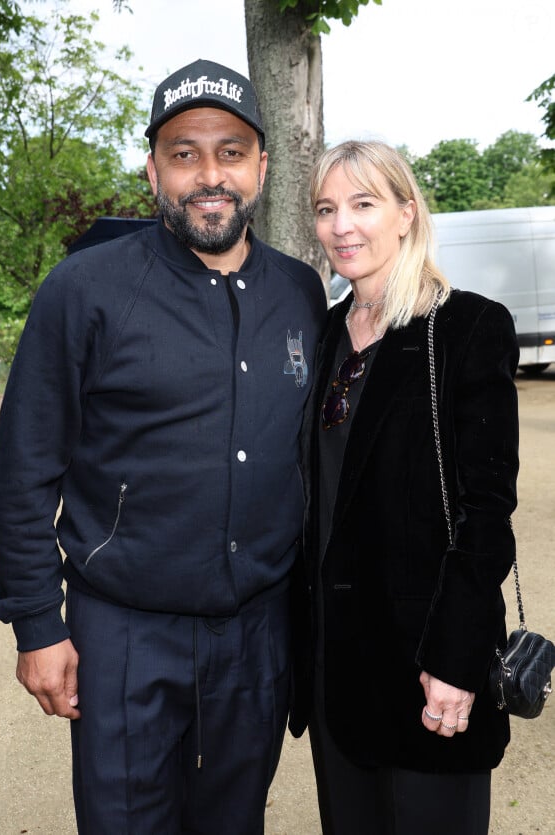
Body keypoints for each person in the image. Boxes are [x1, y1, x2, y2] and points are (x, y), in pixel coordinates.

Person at [0, 59, 327, 834]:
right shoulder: (85, 290)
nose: (210, 174)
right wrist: (38, 624)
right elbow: (21, 475)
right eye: (184, 153)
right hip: (125, 633)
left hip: (257, 633)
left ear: (262, 166)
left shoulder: (300, 291)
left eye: (231, 152)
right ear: (152, 171)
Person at [290, 140, 519, 834]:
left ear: (406, 212)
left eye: (363, 203)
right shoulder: (326, 334)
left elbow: (486, 517)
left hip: (427, 675)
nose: (342, 226)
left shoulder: (466, 328)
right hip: (337, 673)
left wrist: (455, 661)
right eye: (327, 209)